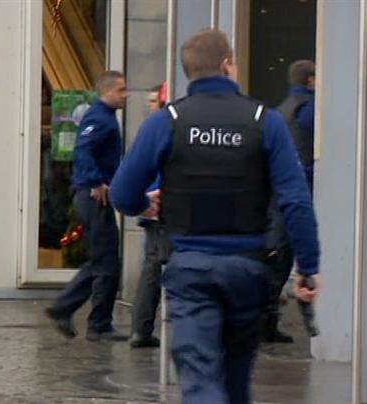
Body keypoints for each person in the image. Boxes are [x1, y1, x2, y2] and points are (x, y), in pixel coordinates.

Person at [109, 30, 321, 404]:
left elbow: (122, 194)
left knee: (201, 377)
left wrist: (145, 205)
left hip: (190, 268)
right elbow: (296, 201)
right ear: (227, 65)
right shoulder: (264, 121)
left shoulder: (167, 121)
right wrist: (308, 266)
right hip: (247, 270)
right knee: (236, 382)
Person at [45, 71, 129, 341]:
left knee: (103, 260)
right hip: (93, 197)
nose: (126, 95)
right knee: (106, 261)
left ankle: (73, 312)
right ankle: (95, 323)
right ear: (106, 92)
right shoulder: (100, 117)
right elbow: (83, 149)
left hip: (93, 196)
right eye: (121, 90)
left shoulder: (104, 116)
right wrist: (96, 182)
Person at [263, 60, 316, 343]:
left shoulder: (280, 111)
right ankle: (312, 327)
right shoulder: (311, 109)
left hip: (278, 191)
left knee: (278, 257)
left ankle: (267, 321)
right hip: (302, 190)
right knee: (302, 260)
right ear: (311, 80)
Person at [128, 83, 173, 348]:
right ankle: (141, 329)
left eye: (154, 100)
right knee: (153, 268)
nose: (150, 105)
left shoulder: (152, 128)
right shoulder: (163, 127)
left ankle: (141, 328)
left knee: (152, 266)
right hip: (159, 206)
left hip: (153, 205)